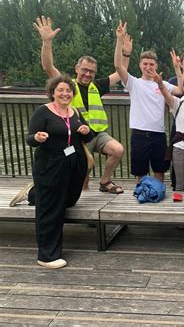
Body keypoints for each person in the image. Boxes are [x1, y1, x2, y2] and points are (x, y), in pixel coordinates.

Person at [33, 15, 130, 194]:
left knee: (117, 150)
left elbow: (121, 71)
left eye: (91, 71)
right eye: (84, 70)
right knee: (83, 171)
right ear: (77, 68)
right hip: (77, 137)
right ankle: (81, 196)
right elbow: (48, 67)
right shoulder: (67, 86)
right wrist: (47, 42)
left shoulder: (97, 86)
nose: (87, 74)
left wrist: (124, 49)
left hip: (97, 134)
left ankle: (105, 181)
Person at [27, 74, 93, 268]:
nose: (65, 93)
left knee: (69, 199)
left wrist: (86, 131)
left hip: (74, 166)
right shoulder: (43, 112)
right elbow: (29, 139)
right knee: (51, 209)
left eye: (68, 90)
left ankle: (34, 194)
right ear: (53, 92)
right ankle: (47, 256)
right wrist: (37, 138)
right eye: (61, 90)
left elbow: (87, 138)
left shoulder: (75, 112)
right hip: (51, 167)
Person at [113, 21, 181, 182]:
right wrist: (121, 44)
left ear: (156, 65)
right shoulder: (134, 83)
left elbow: (181, 90)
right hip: (139, 133)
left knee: (159, 170)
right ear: (140, 65)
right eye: (145, 64)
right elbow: (118, 66)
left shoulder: (162, 83)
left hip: (158, 134)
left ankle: (158, 194)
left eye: (151, 64)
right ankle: (141, 195)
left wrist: (177, 68)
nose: (148, 67)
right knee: (140, 171)